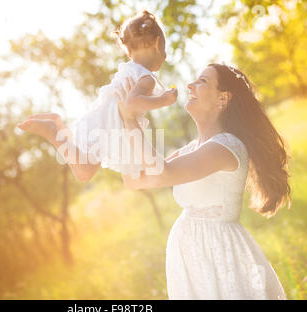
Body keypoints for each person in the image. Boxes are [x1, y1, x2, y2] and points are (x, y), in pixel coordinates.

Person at [116, 63, 291, 299]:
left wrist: (131, 121)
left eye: (202, 81)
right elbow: (135, 180)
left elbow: (163, 173)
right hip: (191, 256)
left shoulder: (227, 147)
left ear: (223, 99)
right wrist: (126, 117)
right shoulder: (193, 148)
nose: (190, 85)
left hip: (217, 255)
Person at [17, 10, 177, 181]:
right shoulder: (146, 78)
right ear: (158, 44)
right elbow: (132, 103)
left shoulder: (131, 69)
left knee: (83, 164)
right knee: (85, 172)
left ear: (129, 51)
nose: (165, 55)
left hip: (100, 119)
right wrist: (164, 100)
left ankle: (57, 123)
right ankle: (52, 131)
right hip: (108, 125)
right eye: (165, 49)